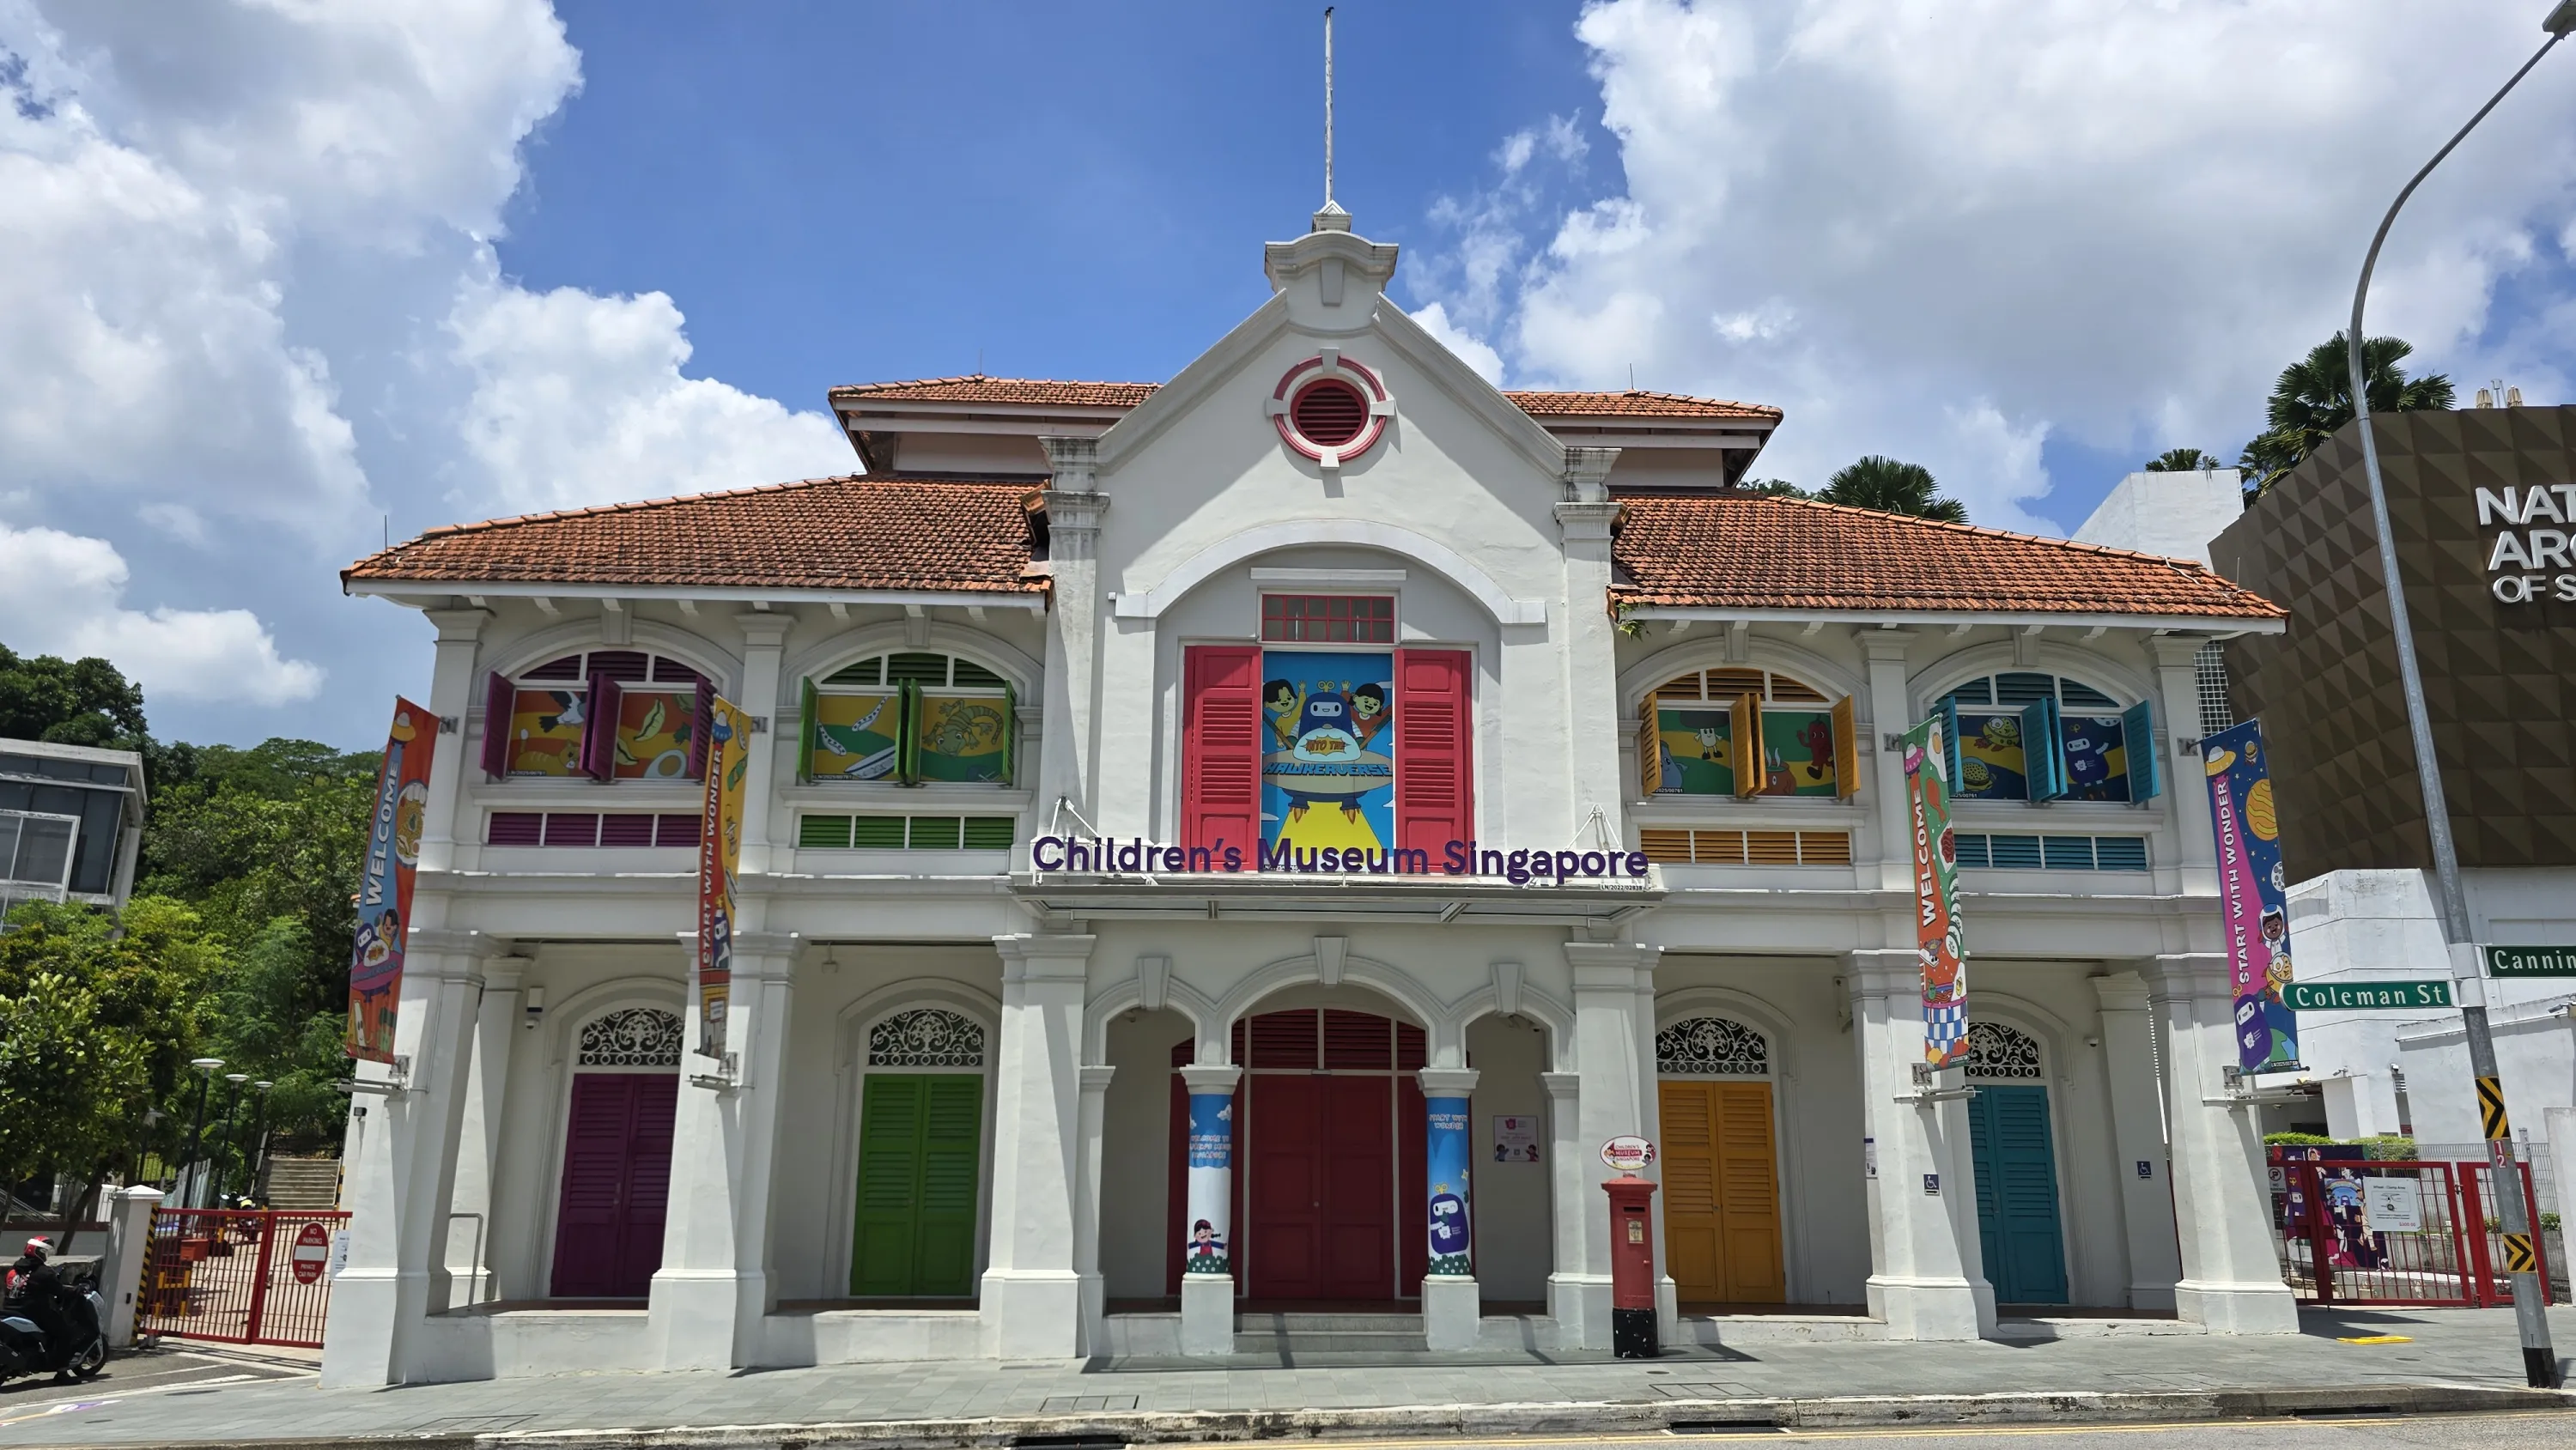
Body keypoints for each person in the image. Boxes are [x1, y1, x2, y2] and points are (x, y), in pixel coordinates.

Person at [7, 1237, 68, 1365]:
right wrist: (76, 1290)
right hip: (33, 1312)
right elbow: (59, 1290)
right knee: (64, 1332)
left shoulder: (13, 1271)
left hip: (9, 1309)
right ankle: (61, 1368)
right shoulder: (44, 1272)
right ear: (41, 1252)